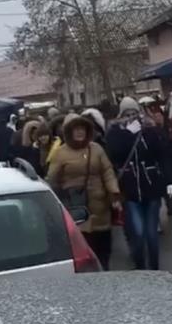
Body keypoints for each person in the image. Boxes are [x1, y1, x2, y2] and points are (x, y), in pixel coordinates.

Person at [106, 97, 172, 270]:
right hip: (130, 190)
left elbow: (162, 156)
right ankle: (140, 266)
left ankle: (154, 269)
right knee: (138, 232)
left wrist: (169, 181)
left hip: (151, 186)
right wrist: (128, 135)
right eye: (127, 113)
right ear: (121, 114)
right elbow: (115, 154)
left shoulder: (149, 130)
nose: (131, 117)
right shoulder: (115, 133)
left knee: (152, 233)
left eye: (134, 113)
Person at [46, 114, 121, 270]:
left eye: (82, 128)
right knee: (83, 246)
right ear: (68, 132)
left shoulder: (96, 149)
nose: (80, 132)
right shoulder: (60, 153)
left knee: (104, 245)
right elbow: (52, 179)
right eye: (76, 129)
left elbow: (107, 172)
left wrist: (114, 194)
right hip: (76, 207)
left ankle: (105, 273)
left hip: (100, 206)